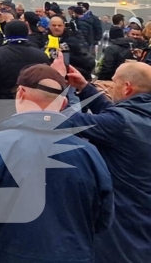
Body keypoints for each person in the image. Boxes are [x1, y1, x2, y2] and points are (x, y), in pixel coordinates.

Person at [0, 64, 113, 263]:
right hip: (75, 255)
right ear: (64, 103)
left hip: (11, 255)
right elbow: (102, 220)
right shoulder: (90, 153)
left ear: (21, 93)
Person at [57, 60, 151, 263]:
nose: (110, 86)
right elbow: (116, 117)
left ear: (127, 87)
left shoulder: (120, 124)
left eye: (113, 82)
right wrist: (85, 88)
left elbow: (69, 122)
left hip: (123, 218)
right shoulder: (139, 116)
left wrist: (52, 92)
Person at [0, 20, 51, 125]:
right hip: (32, 107)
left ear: (6, 33)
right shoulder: (40, 55)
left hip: (2, 107)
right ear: (27, 32)